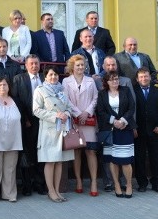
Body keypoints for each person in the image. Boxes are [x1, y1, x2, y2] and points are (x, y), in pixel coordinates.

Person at [33, 66, 75, 203]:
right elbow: (36, 110)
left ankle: (57, 190)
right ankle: (50, 191)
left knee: (59, 162)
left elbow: (69, 107)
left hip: (63, 129)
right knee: (50, 161)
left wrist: (66, 114)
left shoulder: (63, 90)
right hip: (49, 131)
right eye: (50, 75)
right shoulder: (40, 90)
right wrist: (55, 115)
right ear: (45, 77)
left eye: (55, 74)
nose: (53, 77)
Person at [95, 55, 136, 191]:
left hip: (125, 128)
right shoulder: (102, 94)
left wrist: (123, 120)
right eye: (112, 80)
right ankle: (114, 184)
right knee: (111, 158)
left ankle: (127, 184)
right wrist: (114, 121)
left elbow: (132, 107)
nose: (115, 82)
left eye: (117, 79)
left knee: (125, 159)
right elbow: (100, 111)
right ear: (106, 82)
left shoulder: (125, 89)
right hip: (109, 128)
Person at [62, 55, 99, 196]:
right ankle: (78, 181)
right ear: (72, 66)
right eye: (77, 65)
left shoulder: (91, 80)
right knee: (77, 151)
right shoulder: (66, 81)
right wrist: (78, 113)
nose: (80, 67)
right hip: (74, 120)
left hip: (88, 120)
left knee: (91, 151)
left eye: (82, 65)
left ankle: (94, 182)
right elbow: (66, 100)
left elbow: (95, 98)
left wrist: (87, 112)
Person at [11, 54, 45, 196]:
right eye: (31, 63)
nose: (34, 66)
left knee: (41, 153)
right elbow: (16, 100)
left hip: (43, 121)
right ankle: (26, 185)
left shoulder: (44, 78)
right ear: (26, 65)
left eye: (36, 63)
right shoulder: (18, 79)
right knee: (27, 154)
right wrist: (24, 119)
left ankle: (40, 183)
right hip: (26, 122)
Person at [133, 67, 158, 193]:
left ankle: (157, 183)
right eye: (141, 77)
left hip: (155, 130)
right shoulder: (133, 91)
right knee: (139, 158)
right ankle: (142, 183)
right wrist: (133, 127)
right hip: (139, 130)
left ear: (150, 77)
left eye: (146, 76)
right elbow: (130, 110)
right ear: (137, 79)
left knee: (156, 157)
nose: (144, 79)